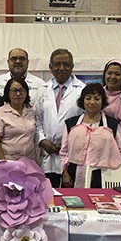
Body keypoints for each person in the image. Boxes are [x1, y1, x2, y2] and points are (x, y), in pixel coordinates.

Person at [60, 83, 121, 188]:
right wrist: (64, 172)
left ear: (102, 101)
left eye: (97, 99)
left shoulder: (112, 124)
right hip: (73, 174)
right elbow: (64, 152)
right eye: (88, 98)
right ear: (82, 101)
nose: (92, 102)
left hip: (103, 174)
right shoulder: (70, 124)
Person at [35, 48, 85, 187]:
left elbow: (85, 121)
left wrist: (66, 144)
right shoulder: (43, 89)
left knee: (70, 196)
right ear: (50, 67)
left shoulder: (81, 90)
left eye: (66, 64)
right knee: (49, 195)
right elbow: (37, 119)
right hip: (47, 154)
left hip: (71, 153)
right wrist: (42, 140)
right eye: (57, 64)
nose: (61, 68)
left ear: (72, 67)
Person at [0, 77, 36, 161]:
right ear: (8, 93)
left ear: (26, 93)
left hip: (29, 161)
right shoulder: (0, 112)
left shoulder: (31, 111)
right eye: (14, 90)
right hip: (8, 161)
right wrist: (3, 161)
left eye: (21, 90)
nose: (18, 94)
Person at [101, 59, 121, 142]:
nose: (112, 77)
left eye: (117, 74)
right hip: (104, 138)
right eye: (109, 73)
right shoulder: (98, 94)